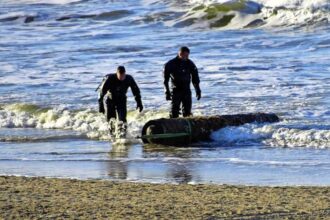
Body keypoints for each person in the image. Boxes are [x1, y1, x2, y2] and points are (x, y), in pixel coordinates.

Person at [98, 66, 143, 138]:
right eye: (120, 76)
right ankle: (112, 136)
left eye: (123, 76)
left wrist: (139, 103)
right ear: (117, 74)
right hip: (110, 100)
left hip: (121, 100)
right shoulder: (110, 79)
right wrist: (101, 105)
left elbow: (136, 91)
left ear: (125, 73)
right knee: (111, 120)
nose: (121, 78)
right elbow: (101, 93)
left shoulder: (129, 78)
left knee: (122, 120)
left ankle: (123, 136)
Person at [163, 46, 201, 118]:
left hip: (186, 90)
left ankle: (187, 127)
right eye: (183, 55)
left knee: (187, 112)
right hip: (176, 90)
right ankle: (173, 126)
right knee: (174, 112)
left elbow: (195, 78)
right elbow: (165, 81)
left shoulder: (190, 64)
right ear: (179, 53)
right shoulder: (170, 64)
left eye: (187, 55)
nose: (185, 57)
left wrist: (198, 90)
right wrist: (167, 92)